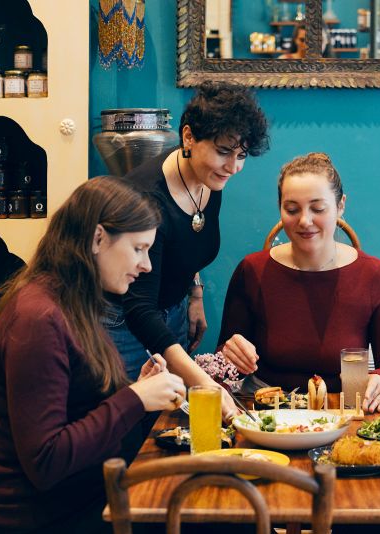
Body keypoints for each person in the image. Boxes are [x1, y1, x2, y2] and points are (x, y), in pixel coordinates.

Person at [0, 178, 187, 533]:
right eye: (138, 248)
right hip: (41, 519)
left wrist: (136, 391)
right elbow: (46, 461)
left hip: (77, 501)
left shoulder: (70, 303)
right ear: (98, 238)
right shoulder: (38, 319)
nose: (147, 265)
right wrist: (133, 399)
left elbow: (78, 411)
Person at [108, 82, 269, 419]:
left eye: (241, 156)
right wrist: (202, 381)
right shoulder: (148, 199)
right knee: (135, 428)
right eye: (224, 151)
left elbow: (189, 240)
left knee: (171, 421)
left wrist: (194, 294)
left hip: (173, 312)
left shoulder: (208, 178)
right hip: (123, 323)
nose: (233, 167)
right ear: (189, 137)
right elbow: (138, 306)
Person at [217, 152, 380, 413]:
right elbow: (224, 361)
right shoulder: (252, 270)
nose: (305, 221)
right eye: (292, 209)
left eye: (318, 209)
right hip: (267, 411)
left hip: (343, 411)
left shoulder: (374, 274)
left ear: (341, 206)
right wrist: (231, 356)